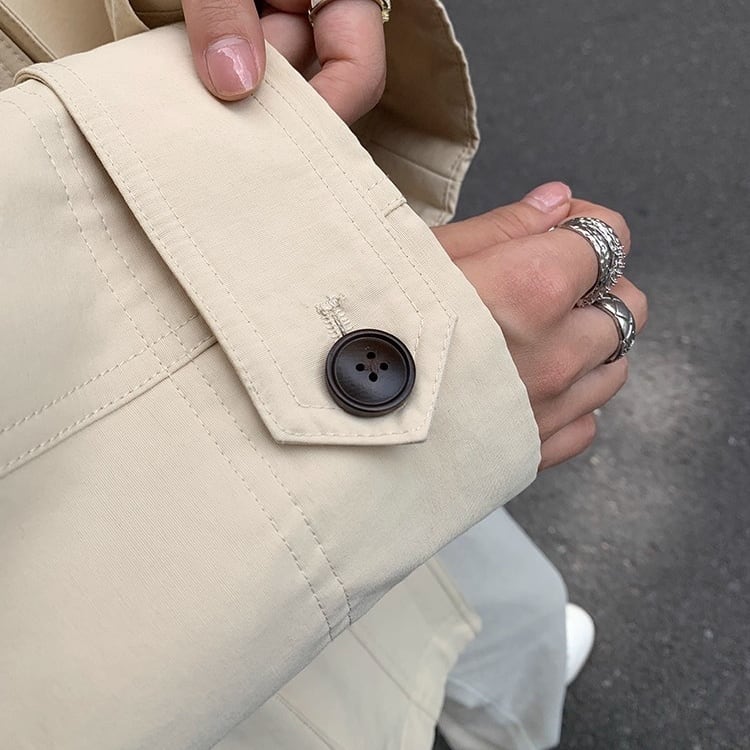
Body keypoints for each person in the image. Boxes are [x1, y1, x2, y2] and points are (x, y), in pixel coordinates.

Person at [0, 1, 647, 748]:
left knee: (503, 612)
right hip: (120, 555)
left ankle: (506, 689)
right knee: (335, 700)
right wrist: (355, 435)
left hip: (207, 232)